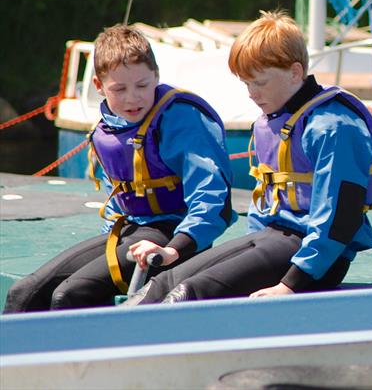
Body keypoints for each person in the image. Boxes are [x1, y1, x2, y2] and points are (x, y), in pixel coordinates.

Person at [125, 10, 372, 304]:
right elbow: (266, 203)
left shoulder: (335, 128)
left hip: (316, 258)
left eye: (259, 82)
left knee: (189, 293)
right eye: (246, 83)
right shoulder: (273, 121)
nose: (251, 93)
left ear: (295, 72)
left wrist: (290, 284)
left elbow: (340, 220)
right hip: (272, 238)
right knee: (165, 281)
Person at [4, 25, 235, 312]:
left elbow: (213, 197)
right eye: (119, 89)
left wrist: (177, 247)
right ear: (100, 87)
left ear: (156, 76)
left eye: (142, 85)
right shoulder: (110, 126)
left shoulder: (180, 118)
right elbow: (119, 195)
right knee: (23, 293)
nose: (132, 98)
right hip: (129, 231)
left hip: (171, 234)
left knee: (70, 295)